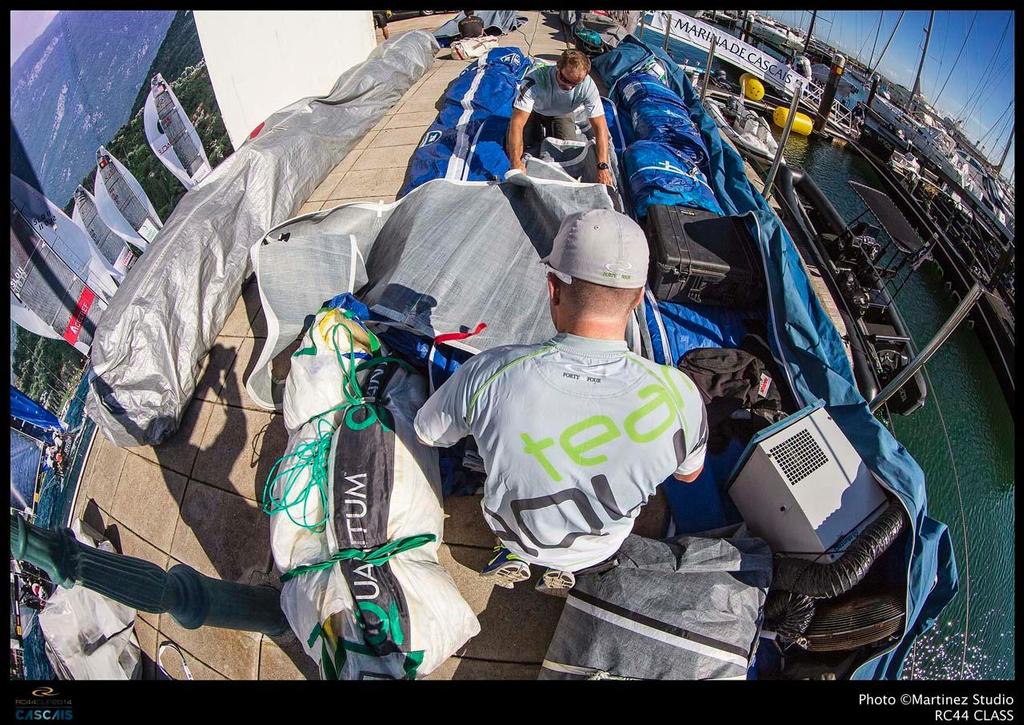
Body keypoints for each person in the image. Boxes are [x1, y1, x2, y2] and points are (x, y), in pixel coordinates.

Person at [414, 209, 708, 592]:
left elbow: (428, 433)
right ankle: (572, 565)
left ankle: (520, 554)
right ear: (637, 298)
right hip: (602, 544)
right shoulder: (679, 395)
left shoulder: (490, 372)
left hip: (515, 534)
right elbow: (689, 475)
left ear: (553, 288)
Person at [506, 49, 614, 187]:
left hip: (562, 112)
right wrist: (515, 163)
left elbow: (600, 127)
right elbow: (518, 123)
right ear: (558, 67)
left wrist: (603, 166)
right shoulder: (534, 80)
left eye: (575, 83)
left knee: (567, 154)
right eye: (564, 79)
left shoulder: (588, 86)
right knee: (520, 148)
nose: (568, 87)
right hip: (533, 111)